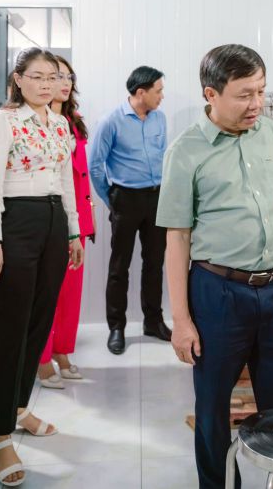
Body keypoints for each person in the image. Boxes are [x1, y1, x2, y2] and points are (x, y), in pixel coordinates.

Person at [158, 44, 273, 489]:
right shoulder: (185, 152)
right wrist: (182, 321)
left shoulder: (270, 133)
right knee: (212, 407)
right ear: (211, 93)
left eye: (262, 91)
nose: (256, 104)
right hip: (218, 293)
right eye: (245, 94)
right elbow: (177, 238)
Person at [0, 47, 83, 486]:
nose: (46, 84)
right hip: (15, 223)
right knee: (11, 331)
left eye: (53, 76)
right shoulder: (3, 121)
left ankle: (20, 408)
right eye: (36, 76)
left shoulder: (60, 124)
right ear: (18, 80)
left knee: (39, 325)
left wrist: (74, 232)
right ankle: (0, 436)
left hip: (54, 221)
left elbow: (64, 181)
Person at [89, 66, 171, 354]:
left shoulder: (159, 118)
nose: (162, 96)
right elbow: (95, 165)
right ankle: (116, 327)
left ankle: (153, 321)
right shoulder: (111, 121)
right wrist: (111, 198)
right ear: (141, 92)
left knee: (155, 263)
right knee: (119, 266)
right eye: (158, 91)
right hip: (125, 199)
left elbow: (164, 157)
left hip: (156, 198)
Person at [37, 55, 94, 389]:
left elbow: (81, 175)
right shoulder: (32, 120)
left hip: (77, 217)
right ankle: (41, 359)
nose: (63, 82)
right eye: (56, 76)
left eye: (68, 76)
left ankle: (62, 352)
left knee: (71, 293)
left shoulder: (74, 120)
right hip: (46, 215)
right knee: (47, 293)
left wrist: (87, 218)